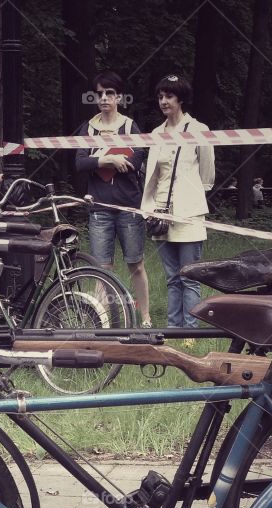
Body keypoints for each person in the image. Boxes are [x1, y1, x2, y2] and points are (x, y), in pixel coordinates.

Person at [75, 71, 152, 327]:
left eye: (109, 93)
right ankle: (103, 322)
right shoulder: (88, 127)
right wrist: (106, 159)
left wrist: (122, 161)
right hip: (99, 207)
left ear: (119, 96)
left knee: (136, 265)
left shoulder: (130, 126)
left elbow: (138, 158)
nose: (104, 98)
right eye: (100, 94)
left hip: (128, 205)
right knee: (101, 269)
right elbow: (79, 161)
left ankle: (145, 317)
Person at [140, 74, 215, 330]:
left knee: (190, 277)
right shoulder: (156, 133)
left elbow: (207, 175)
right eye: (160, 96)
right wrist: (150, 209)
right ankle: (173, 329)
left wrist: (190, 200)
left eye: (169, 96)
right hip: (160, 214)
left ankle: (190, 331)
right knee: (172, 277)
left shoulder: (198, 130)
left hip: (188, 215)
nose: (163, 101)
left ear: (180, 98)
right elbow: (153, 175)